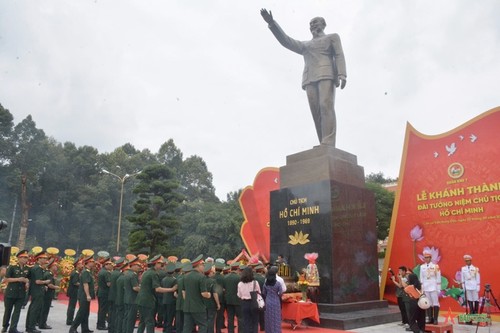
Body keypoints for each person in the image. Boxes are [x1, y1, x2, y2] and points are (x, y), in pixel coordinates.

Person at [261, 9, 347, 147]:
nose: (312, 25)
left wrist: (342, 73)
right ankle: (323, 144)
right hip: (309, 78)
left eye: (315, 22)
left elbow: (339, 55)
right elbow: (286, 41)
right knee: (316, 111)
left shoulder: (332, 37)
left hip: (327, 74)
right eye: (310, 23)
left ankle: (329, 141)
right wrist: (272, 23)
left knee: (326, 105)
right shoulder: (305, 45)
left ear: (323, 24)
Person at [136, 255, 177, 333]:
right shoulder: (153, 274)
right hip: (148, 300)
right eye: (160, 263)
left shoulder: (146, 272)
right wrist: (172, 289)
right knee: (150, 322)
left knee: (142, 322)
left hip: (141, 299)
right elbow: (157, 289)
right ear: (156, 264)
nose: (161, 265)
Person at [2, 249, 30, 333]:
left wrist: (27, 282)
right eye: (24, 257)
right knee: (8, 311)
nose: (26, 259)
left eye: (27, 258)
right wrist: (18, 279)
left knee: (17, 312)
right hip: (10, 292)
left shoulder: (27, 268)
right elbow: (5, 279)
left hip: (21, 293)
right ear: (19, 258)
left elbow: (28, 278)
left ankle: (13, 328)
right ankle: (5, 326)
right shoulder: (12, 267)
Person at [182, 255, 210, 333]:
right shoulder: (201, 277)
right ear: (199, 265)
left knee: (187, 327)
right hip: (198, 307)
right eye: (203, 265)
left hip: (187, 306)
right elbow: (204, 293)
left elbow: (184, 292)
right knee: (203, 326)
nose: (204, 267)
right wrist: (209, 294)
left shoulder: (186, 276)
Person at [69, 255, 96, 333]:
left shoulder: (88, 271)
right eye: (92, 262)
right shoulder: (85, 272)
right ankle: (73, 328)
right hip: (84, 295)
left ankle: (85, 328)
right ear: (88, 263)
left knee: (86, 313)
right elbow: (85, 284)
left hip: (85, 295)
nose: (93, 263)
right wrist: (87, 295)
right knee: (81, 312)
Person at [26, 251, 51, 333]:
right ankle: (31, 327)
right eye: (43, 258)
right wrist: (46, 282)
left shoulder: (35, 267)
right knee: (35, 309)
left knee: (33, 308)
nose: (45, 260)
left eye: (45, 258)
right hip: (37, 291)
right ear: (38, 259)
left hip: (36, 290)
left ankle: (29, 326)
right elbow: (37, 281)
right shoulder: (38, 268)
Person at [419, 250, 441, 324]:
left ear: (430, 258)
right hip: (426, 287)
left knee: (435, 303)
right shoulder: (422, 267)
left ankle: (435, 319)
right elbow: (421, 278)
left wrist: (438, 288)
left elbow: (438, 277)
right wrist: (422, 289)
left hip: (434, 286)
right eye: (425, 257)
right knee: (429, 303)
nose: (426, 259)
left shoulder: (435, 266)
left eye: (428, 257)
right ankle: (430, 318)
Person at [262, 266, 285, 333]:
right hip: (276, 301)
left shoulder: (265, 284)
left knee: (268, 317)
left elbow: (263, 293)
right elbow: (281, 293)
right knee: (276, 317)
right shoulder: (277, 283)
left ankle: (269, 330)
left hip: (268, 301)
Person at [237, 267, 260, 333]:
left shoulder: (240, 284)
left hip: (244, 303)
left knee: (246, 321)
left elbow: (239, 295)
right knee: (255, 321)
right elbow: (259, 293)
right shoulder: (255, 282)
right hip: (254, 303)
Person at [38, 258, 59, 329]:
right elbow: (49, 285)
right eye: (55, 266)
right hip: (47, 294)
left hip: (46, 294)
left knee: (43, 309)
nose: (56, 267)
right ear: (51, 267)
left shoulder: (49, 273)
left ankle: (41, 322)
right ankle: (42, 324)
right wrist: (57, 287)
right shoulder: (49, 274)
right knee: (45, 309)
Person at [123, 257, 141, 333]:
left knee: (126, 317)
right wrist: (143, 290)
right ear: (133, 266)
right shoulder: (133, 275)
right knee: (131, 318)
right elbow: (135, 288)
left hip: (127, 298)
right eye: (137, 265)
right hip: (133, 299)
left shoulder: (127, 274)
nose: (139, 267)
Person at [224, 262, 243, 333]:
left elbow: (224, 289)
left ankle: (230, 331)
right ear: (238, 268)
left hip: (228, 300)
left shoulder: (225, 277)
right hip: (238, 300)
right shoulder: (240, 278)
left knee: (230, 318)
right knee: (240, 318)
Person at [96, 258, 113, 330]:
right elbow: (109, 284)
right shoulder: (106, 272)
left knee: (101, 309)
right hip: (105, 293)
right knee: (103, 310)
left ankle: (99, 324)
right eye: (110, 264)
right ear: (106, 265)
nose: (112, 266)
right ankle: (101, 325)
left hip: (101, 292)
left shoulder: (101, 271)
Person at [161, 263, 177, 333]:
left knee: (165, 315)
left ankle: (165, 328)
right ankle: (168, 329)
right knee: (170, 315)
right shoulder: (174, 280)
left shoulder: (164, 279)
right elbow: (175, 290)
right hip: (171, 300)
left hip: (164, 299)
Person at [66, 258, 83, 326]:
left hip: (74, 291)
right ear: (77, 265)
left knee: (72, 306)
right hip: (74, 291)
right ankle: (69, 320)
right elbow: (75, 282)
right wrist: (83, 284)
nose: (82, 265)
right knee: (72, 306)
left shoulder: (77, 272)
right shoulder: (75, 273)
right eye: (81, 264)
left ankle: (70, 320)